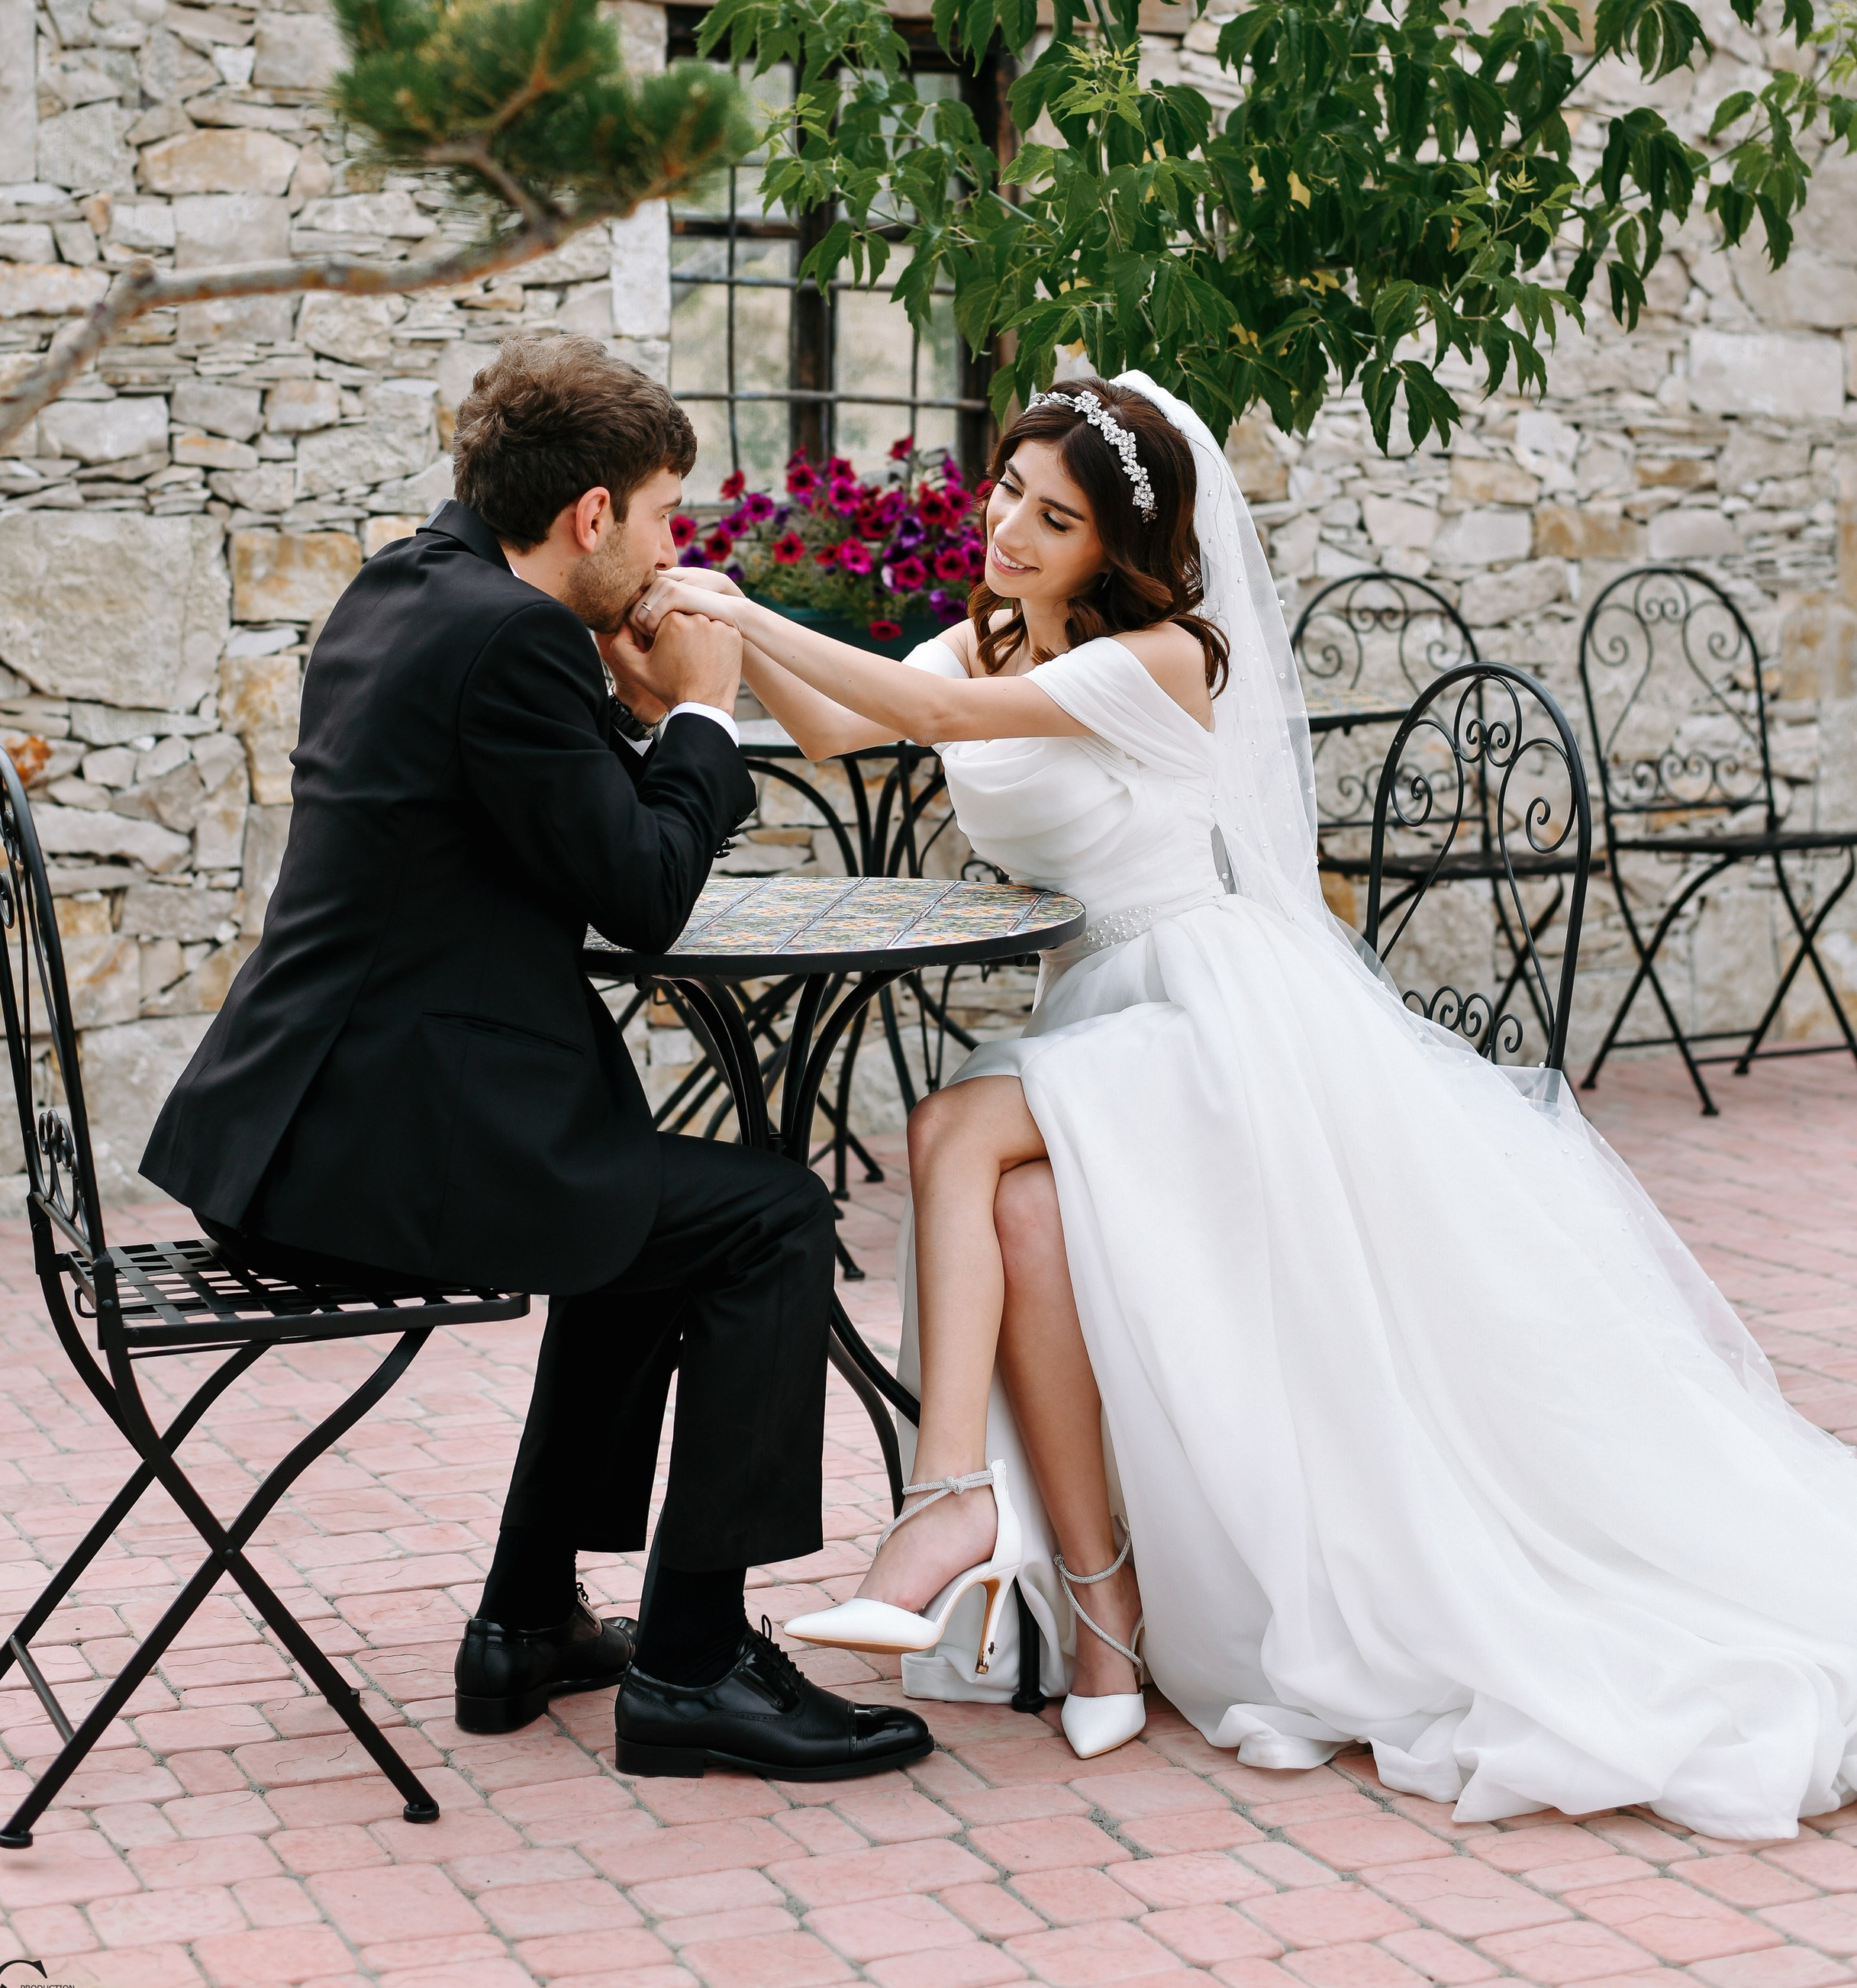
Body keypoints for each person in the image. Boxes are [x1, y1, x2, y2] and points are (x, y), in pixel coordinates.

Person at [639, 372, 1857, 1835]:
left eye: (1057, 515)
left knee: (955, 1127)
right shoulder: (992, 630)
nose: (1013, 527)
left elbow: (937, 708)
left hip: (1209, 1009)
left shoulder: (1164, 657)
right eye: (1012, 491)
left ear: (1120, 548)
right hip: (1099, 1013)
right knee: (1015, 1206)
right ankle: (1105, 1618)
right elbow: (846, 728)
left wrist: (743, 601)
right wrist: (699, 637)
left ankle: (947, 1495)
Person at [141, 335, 930, 1787]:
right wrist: (696, 708)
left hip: (297, 1126)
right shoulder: (508, 639)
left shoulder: (412, 590)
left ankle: (523, 1620)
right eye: (663, 518)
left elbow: (555, 826)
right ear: (591, 518)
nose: (670, 551)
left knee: (645, 1219)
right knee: (768, 1217)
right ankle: (693, 1665)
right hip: (367, 1153)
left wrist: (632, 722)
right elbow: (639, 893)